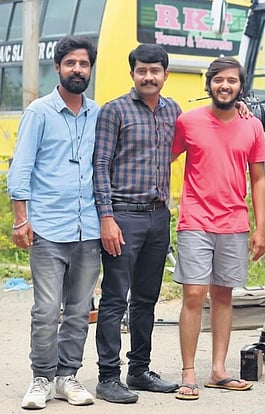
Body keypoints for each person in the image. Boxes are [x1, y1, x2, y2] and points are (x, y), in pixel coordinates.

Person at [7, 36, 101, 409]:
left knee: (79, 310)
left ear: (90, 69)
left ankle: (67, 377)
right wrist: (21, 220)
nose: (77, 69)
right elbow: (21, 167)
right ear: (58, 67)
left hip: (88, 228)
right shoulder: (39, 112)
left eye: (84, 63)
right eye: (70, 63)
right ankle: (41, 379)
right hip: (47, 227)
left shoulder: (98, 113)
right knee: (46, 310)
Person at [172, 57, 265, 400]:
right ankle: (188, 372)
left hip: (234, 222)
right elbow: (164, 157)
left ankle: (218, 370)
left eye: (232, 80)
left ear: (241, 86)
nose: (225, 86)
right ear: (208, 83)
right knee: (194, 294)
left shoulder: (251, 125)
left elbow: (258, 179)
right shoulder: (188, 121)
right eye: (218, 80)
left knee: (224, 295)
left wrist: (260, 228)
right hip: (195, 219)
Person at [93, 44, 180, 404]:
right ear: (132, 74)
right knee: (115, 298)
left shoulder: (173, 110)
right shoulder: (113, 111)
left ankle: (139, 370)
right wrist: (106, 217)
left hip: (158, 216)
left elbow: (205, 126)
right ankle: (107, 377)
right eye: (142, 70)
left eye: (155, 70)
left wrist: (238, 108)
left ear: (165, 74)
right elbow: (100, 166)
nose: (148, 77)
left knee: (146, 299)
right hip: (123, 215)